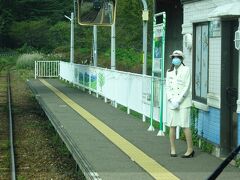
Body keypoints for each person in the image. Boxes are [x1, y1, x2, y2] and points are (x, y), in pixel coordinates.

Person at [166, 50, 194, 158]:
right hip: (172, 102)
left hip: (184, 102)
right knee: (172, 125)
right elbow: (167, 87)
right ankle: (172, 149)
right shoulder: (169, 72)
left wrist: (179, 100)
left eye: (177, 57)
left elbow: (187, 86)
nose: (175, 59)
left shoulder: (186, 70)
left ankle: (190, 149)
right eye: (173, 57)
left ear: (181, 59)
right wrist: (171, 100)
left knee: (185, 125)